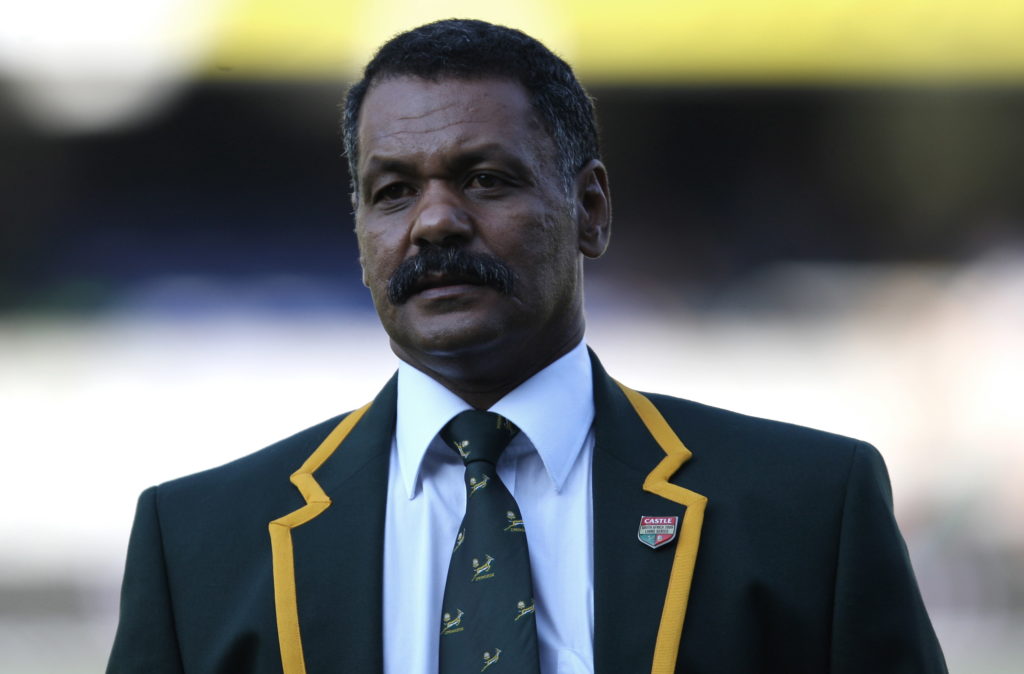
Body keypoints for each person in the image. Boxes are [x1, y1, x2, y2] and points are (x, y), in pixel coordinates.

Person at [107, 19, 948, 674]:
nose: (435, 222)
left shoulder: (810, 510)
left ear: (591, 211)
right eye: (393, 191)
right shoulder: (199, 544)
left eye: (485, 179)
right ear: (360, 237)